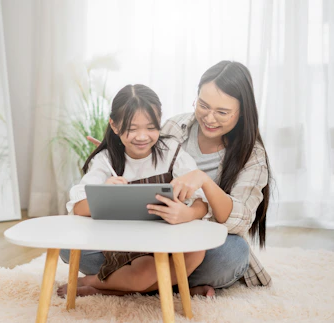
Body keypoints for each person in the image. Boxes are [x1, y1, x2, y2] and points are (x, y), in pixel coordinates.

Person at [60, 61, 272, 298]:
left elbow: (239, 221)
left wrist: (200, 188)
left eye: (222, 112)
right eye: (203, 105)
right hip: (137, 236)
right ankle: (177, 286)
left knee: (230, 255)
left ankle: (112, 284)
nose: (209, 118)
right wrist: (121, 152)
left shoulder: (253, 156)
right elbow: (140, 145)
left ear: (242, 112)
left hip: (191, 237)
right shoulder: (174, 127)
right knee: (70, 246)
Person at [57, 84, 210, 297]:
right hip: (127, 243)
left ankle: (107, 289)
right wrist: (104, 192)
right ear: (115, 125)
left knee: (197, 252)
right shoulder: (106, 160)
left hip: (165, 236)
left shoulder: (171, 152)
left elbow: (202, 202)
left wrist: (189, 213)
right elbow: (78, 207)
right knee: (144, 273)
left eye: (150, 127)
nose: (142, 136)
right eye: (132, 128)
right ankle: (91, 281)